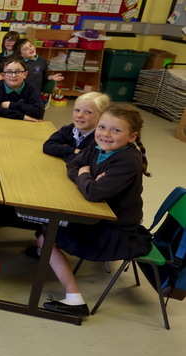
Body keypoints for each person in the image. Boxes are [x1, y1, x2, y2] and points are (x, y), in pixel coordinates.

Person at [39, 104, 152, 317]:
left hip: (115, 230)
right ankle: (48, 255)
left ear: (132, 136)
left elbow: (93, 193)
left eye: (116, 130)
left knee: (46, 234)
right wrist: (87, 176)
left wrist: (85, 177)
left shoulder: (128, 160)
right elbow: (73, 164)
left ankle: (74, 300)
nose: (106, 134)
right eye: (102, 127)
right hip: (100, 217)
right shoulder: (99, 145)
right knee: (46, 224)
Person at [43, 92, 110, 161]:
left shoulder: (102, 139)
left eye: (88, 112)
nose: (79, 115)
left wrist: (64, 151)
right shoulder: (69, 129)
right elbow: (48, 146)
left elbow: (87, 161)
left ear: (102, 116)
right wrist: (73, 150)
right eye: (77, 110)